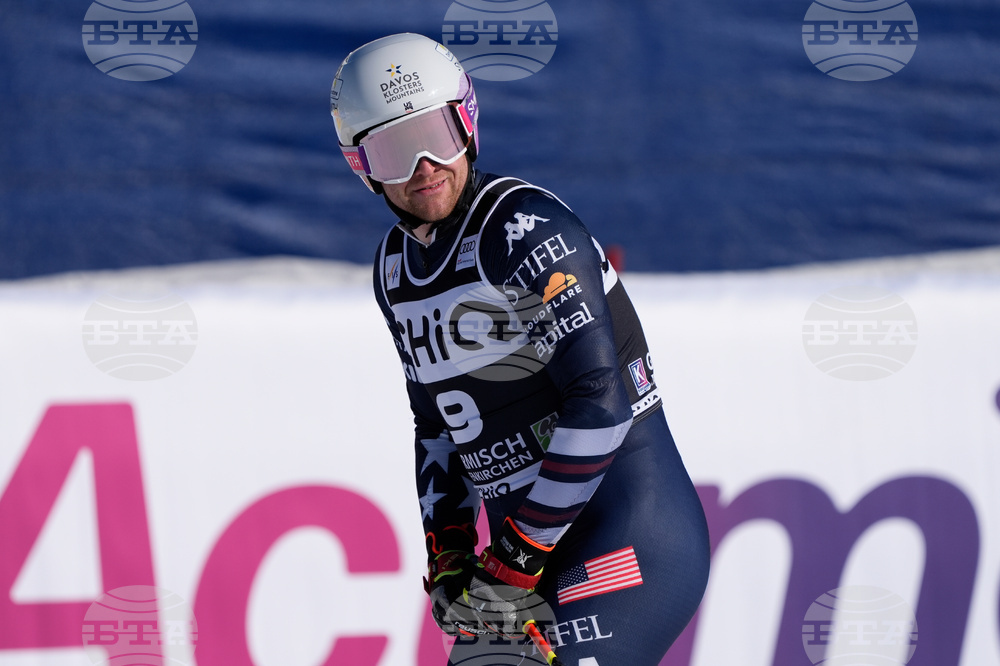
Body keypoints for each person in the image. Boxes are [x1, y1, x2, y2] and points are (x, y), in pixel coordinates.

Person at [330, 33, 710, 666]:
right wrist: (448, 549)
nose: (425, 165)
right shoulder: (394, 271)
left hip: (629, 535)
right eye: (396, 148)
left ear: (468, 123)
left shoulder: (519, 228)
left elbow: (600, 407)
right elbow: (436, 426)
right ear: (360, 165)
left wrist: (511, 561)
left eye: (437, 136)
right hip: (530, 559)